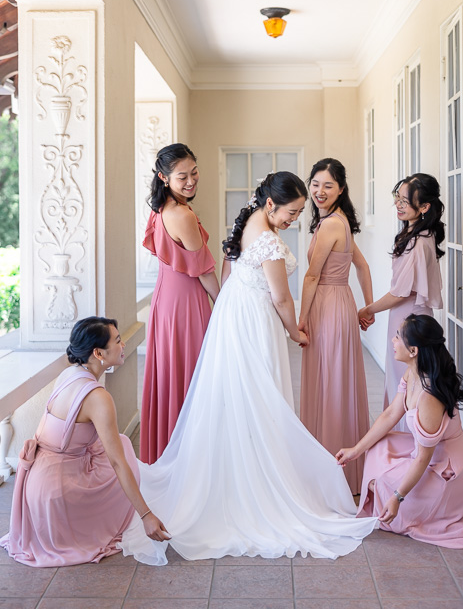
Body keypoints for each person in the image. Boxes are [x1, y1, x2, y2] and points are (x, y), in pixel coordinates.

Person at [120, 172, 377, 565]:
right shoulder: (270, 243)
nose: (294, 220)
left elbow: (227, 271)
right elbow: (282, 299)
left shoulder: (248, 219)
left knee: (237, 397)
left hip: (233, 314)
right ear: (272, 204)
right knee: (261, 397)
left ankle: (237, 475)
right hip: (255, 320)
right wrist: (296, 334)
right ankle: (256, 482)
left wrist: (225, 310)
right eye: (291, 212)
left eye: (299, 213)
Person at [0, 318, 170, 567]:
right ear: (98, 352)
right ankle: (106, 518)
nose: (124, 345)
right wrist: (146, 515)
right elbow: (117, 463)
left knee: (120, 443)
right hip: (55, 497)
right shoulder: (98, 397)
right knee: (121, 456)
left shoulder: (69, 374)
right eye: (118, 340)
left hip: (37, 485)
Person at [336, 314, 463, 548]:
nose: (392, 340)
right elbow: (390, 415)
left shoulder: (429, 397)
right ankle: (390, 493)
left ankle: (418, 505)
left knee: (383, 488)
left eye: (398, 336)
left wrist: (398, 497)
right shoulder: (412, 373)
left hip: (448, 472)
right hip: (429, 455)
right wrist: (356, 450)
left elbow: (422, 458)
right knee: (378, 447)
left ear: (414, 351)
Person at [140, 143, 220, 464]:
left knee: (175, 376)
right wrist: (224, 306)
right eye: (182, 176)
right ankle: (190, 461)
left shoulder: (160, 210)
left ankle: (169, 454)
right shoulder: (182, 214)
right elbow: (204, 271)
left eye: (194, 172)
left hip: (166, 303)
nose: (191, 181)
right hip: (186, 305)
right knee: (191, 378)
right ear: (164, 177)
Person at [299, 158, 372, 495]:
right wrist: (366, 306)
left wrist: (300, 319)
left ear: (341, 189)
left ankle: (329, 471)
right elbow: (362, 265)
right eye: (315, 184)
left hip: (327, 306)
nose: (319, 191)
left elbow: (312, 275)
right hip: (341, 303)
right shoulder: (338, 221)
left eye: (328, 185)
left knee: (328, 383)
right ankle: (345, 470)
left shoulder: (330, 224)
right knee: (338, 382)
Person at [358, 173, 444, 424]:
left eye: (405, 201)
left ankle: (407, 448)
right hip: (406, 317)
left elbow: (399, 293)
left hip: (410, 320)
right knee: (403, 381)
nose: (398, 205)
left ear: (424, 207)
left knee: (406, 385)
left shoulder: (418, 241)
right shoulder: (417, 234)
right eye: (397, 198)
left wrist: (366, 310)